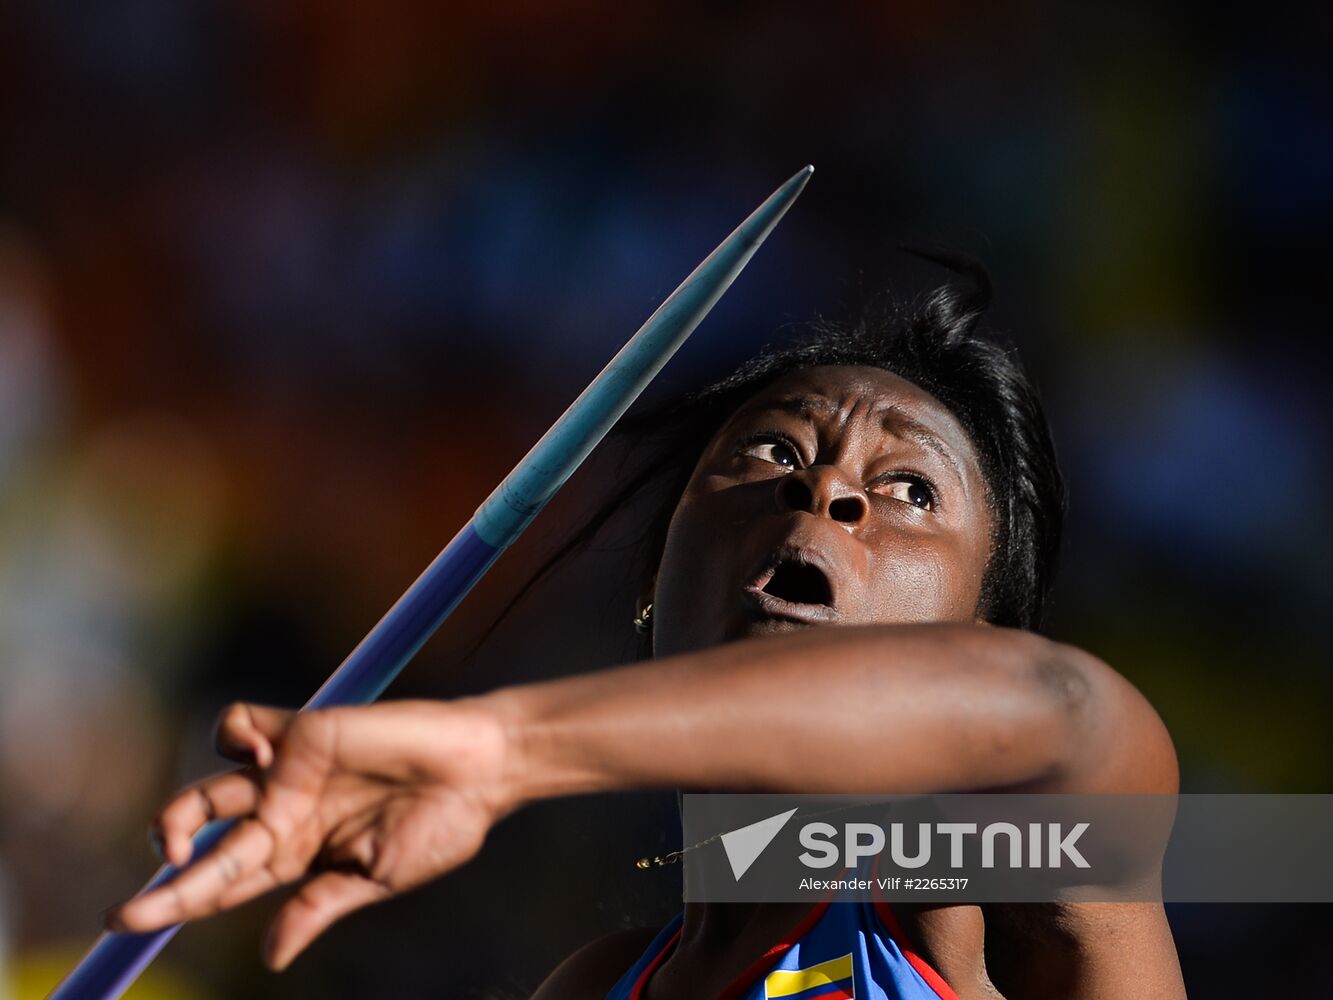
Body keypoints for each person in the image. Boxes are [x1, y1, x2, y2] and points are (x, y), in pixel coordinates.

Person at [106, 253, 1185, 998]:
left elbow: (1057, 711)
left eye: (910, 491)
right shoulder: (592, 982)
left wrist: (503, 749)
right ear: (652, 588)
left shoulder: (1011, 903)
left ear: (984, 632)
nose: (827, 496)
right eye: (769, 453)